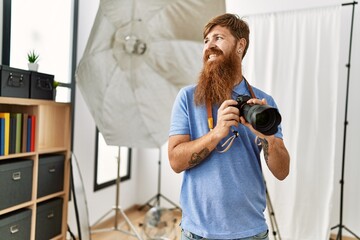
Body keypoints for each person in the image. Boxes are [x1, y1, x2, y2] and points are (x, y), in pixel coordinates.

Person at [168, 13, 290, 240]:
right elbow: (175, 161)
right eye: (206, 41)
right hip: (198, 233)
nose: (209, 46)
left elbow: (282, 171)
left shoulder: (264, 104)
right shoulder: (187, 97)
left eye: (218, 38)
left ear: (240, 45)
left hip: (250, 232)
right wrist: (217, 133)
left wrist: (267, 137)